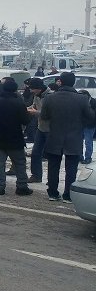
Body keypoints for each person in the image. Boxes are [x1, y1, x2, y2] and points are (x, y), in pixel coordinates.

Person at [40, 72, 95, 202]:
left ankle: (52, 193)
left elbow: (44, 116)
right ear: (74, 82)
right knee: (71, 168)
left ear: (60, 82)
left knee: (53, 166)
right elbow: (91, 117)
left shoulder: (50, 98)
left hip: (55, 136)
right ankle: (68, 195)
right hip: (74, 137)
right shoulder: (81, 99)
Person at [0, 79, 33, 196]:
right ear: (15, 90)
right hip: (15, 139)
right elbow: (25, 120)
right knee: (20, 163)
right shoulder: (19, 103)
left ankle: (0, 188)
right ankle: (22, 186)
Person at [26, 78, 50, 183]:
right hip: (40, 128)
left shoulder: (50, 96)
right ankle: (36, 175)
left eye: (33, 89)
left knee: (52, 155)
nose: (31, 91)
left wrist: (35, 112)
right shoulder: (36, 96)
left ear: (39, 88)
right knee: (36, 152)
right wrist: (27, 108)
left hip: (50, 129)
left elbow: (48, 114)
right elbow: (34, 106)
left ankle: (52, 178)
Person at [81, 90, 96, 164]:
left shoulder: (93, 102)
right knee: (79, 141)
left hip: (90, 125)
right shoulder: (80, 102)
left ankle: (88, 157)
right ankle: (80, 157)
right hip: (81, 124)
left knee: (88, 141)